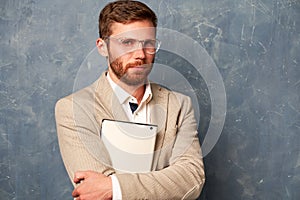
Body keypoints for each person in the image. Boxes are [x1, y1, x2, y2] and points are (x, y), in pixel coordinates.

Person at [55, 0, 205, 199]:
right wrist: (164, 184)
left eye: (148, 44)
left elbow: (192, 178)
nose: (140, 55)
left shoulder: (179, 105)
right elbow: (94, 192)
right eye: (127, 42)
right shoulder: (73, 108)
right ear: (102, 47)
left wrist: (114, 187)